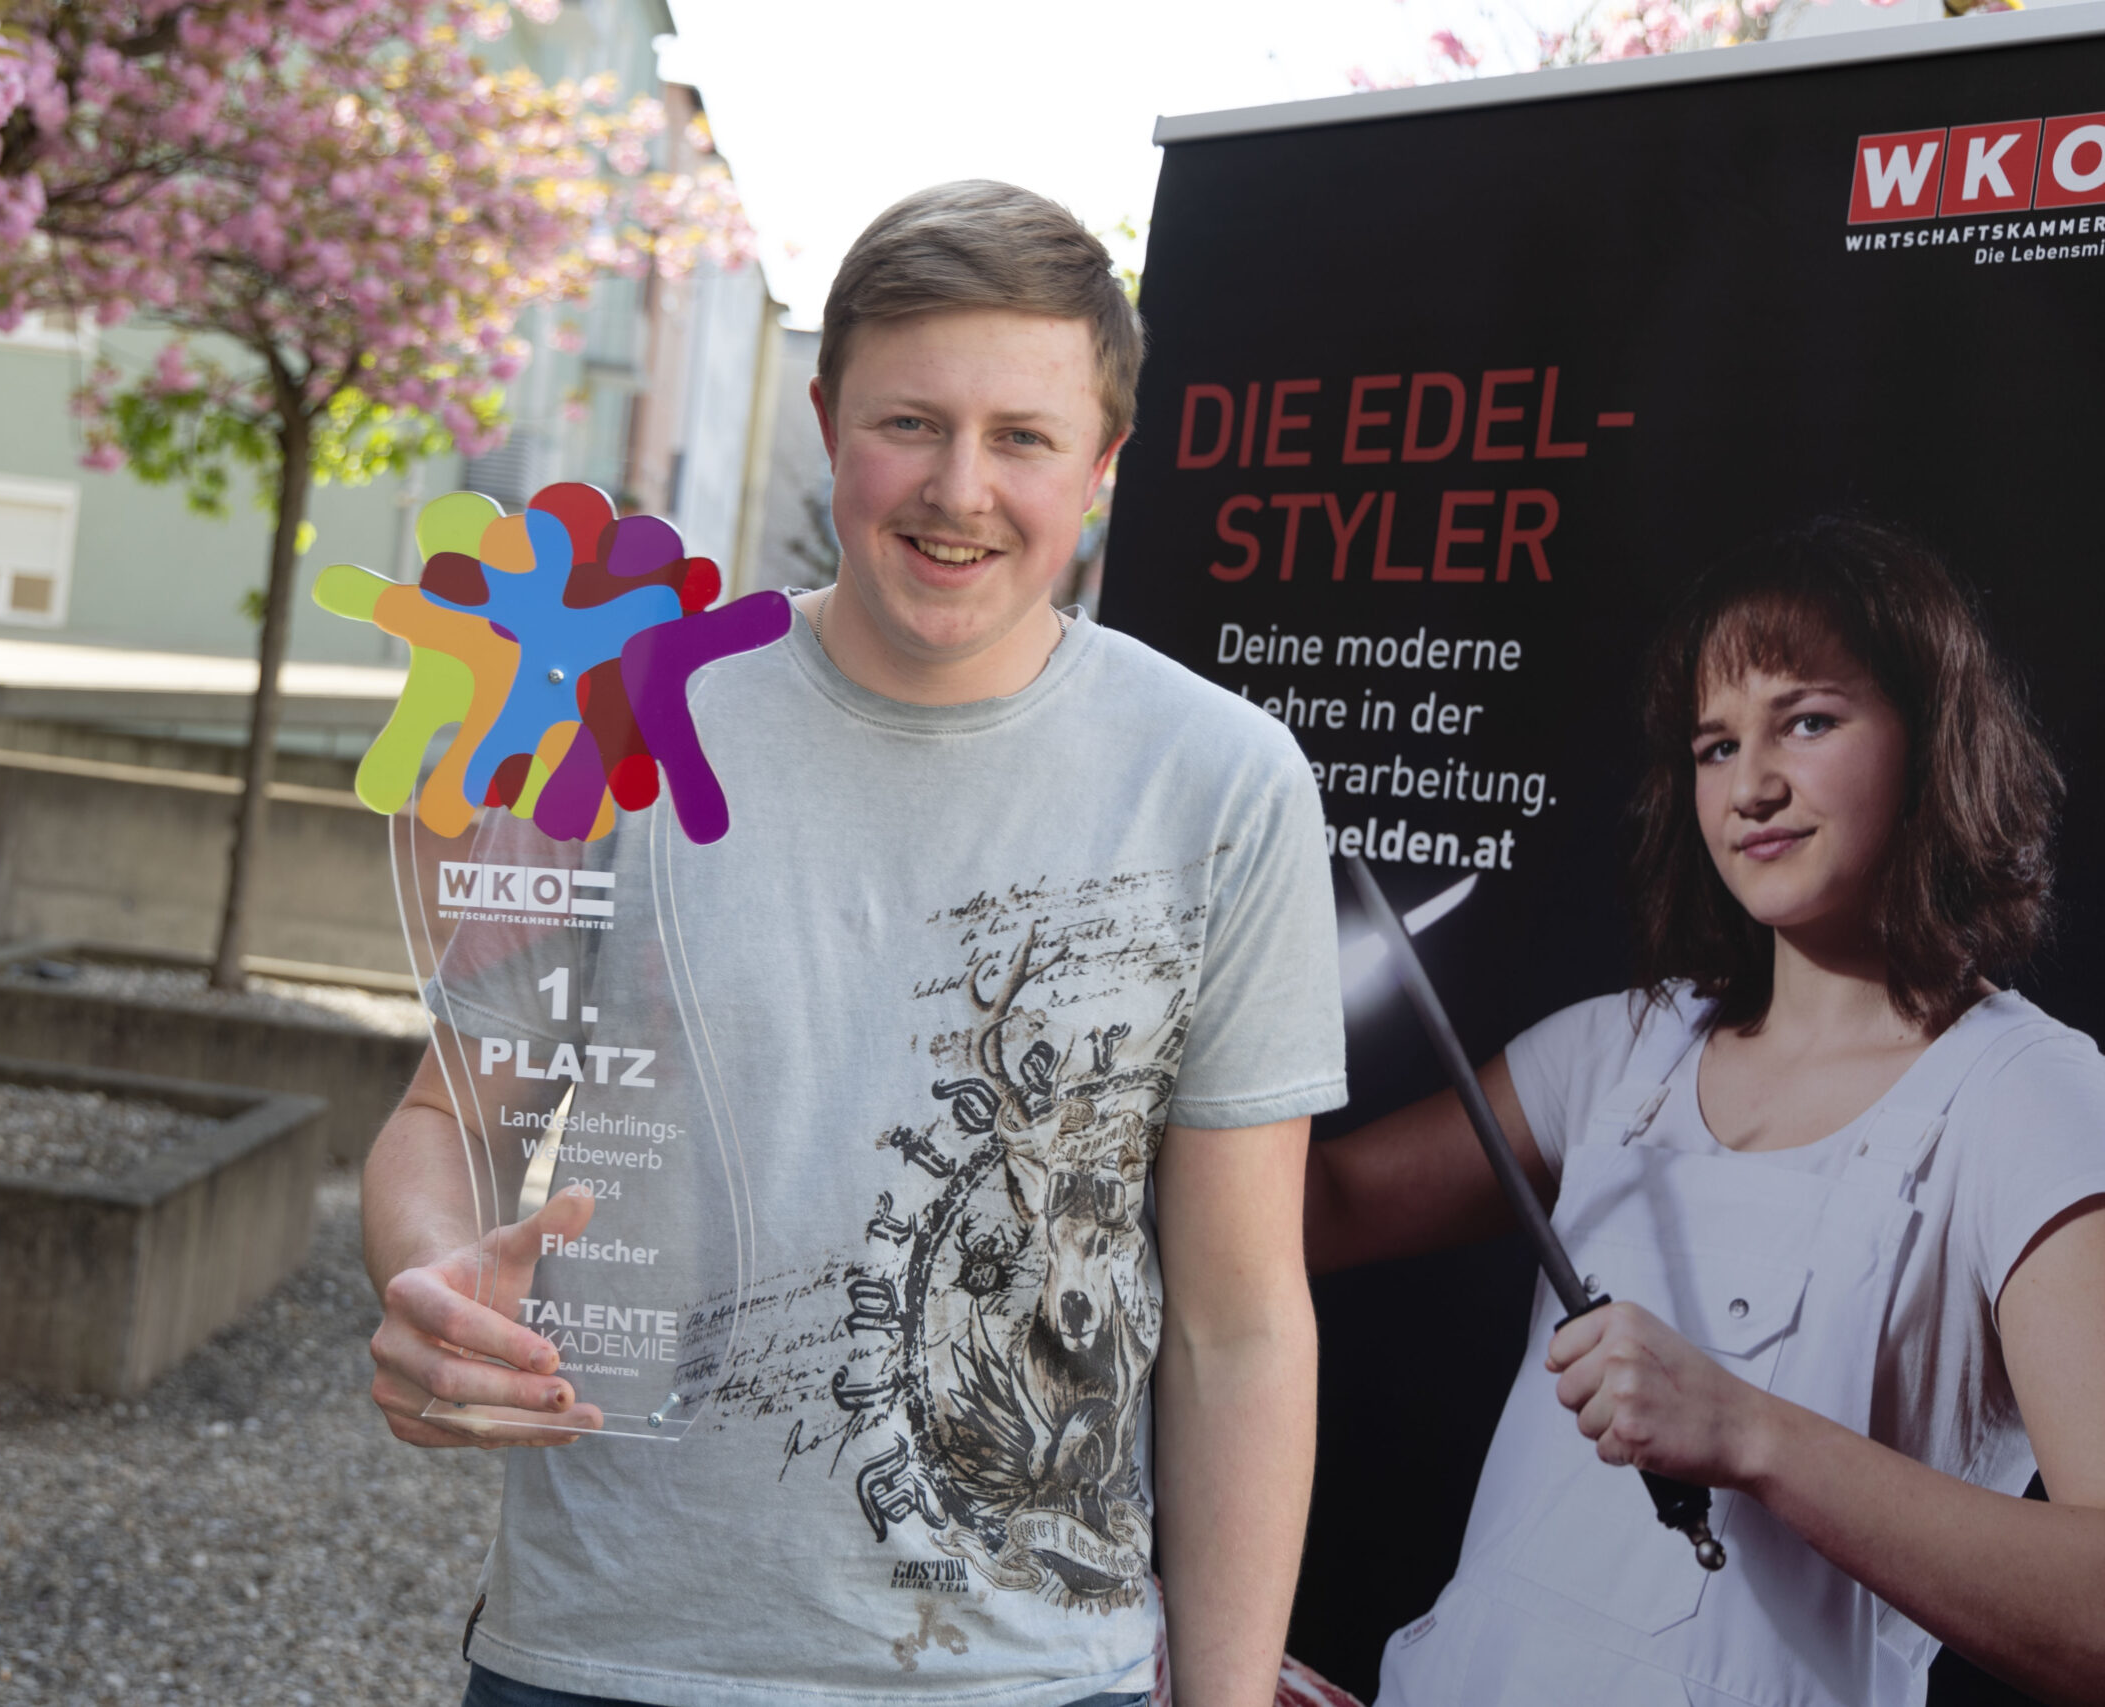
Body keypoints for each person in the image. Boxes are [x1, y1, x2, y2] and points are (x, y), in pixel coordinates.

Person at [362, 181, 1348, 1707]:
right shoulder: (625, 717)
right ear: (828, 420)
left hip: (1030, 1674)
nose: (961, 488)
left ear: (1103, 462)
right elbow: (451, 1118)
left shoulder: (1219, 780)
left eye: (1023, 437)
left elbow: (1241, 1320)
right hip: (609, 1648)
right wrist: (437, 1281)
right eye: (911, 422)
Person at [1307, 518, 2105, 1707]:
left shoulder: (2030, 1099)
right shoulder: (1623, 1048)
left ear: (1932, 740)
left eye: (1808, 722)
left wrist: (1749, 1434)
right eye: (1716, 745)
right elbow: (1317, 1209)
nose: (1752, 787)